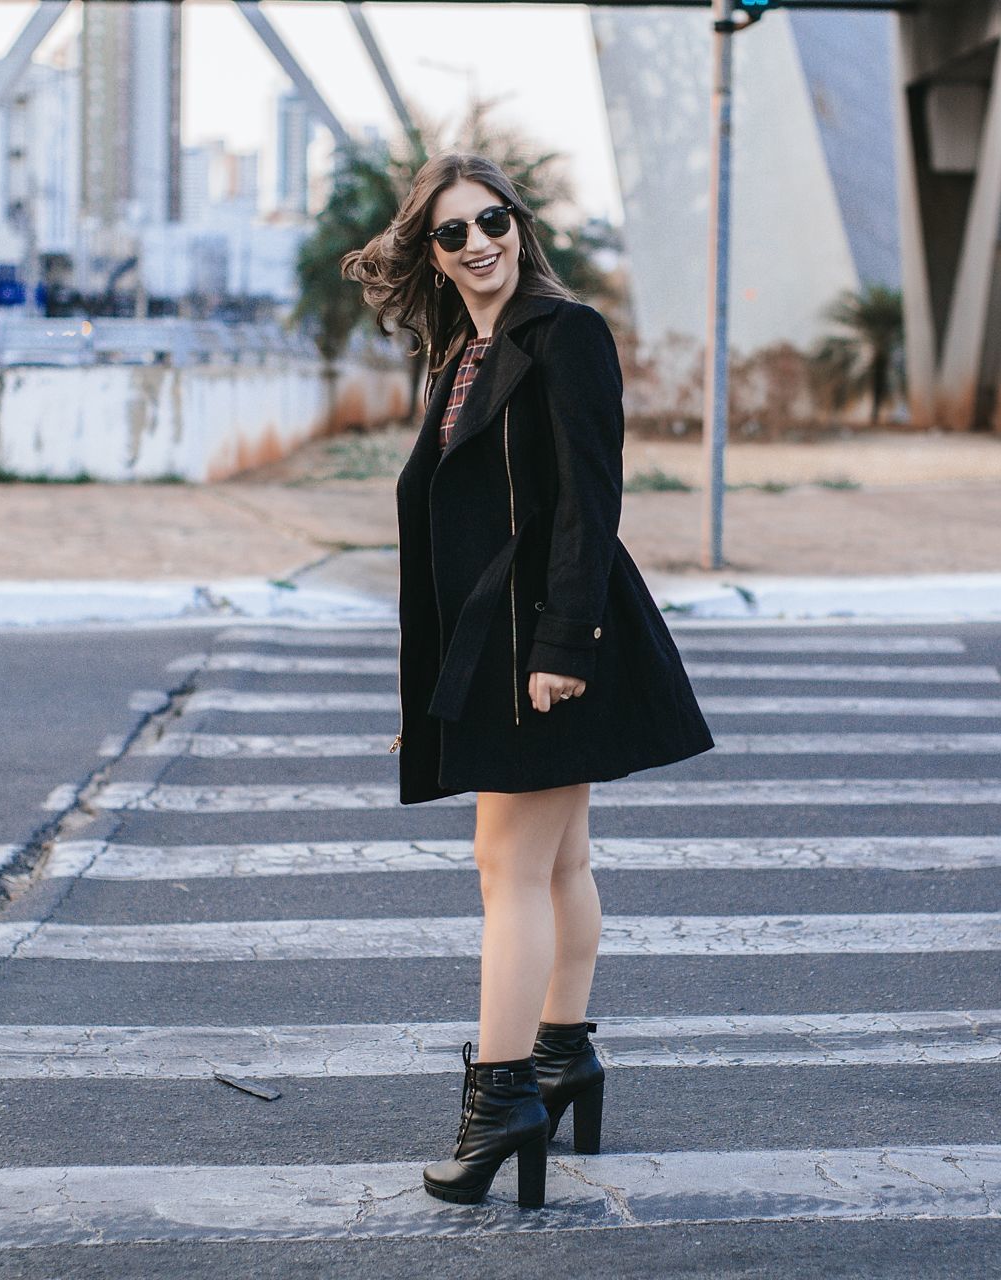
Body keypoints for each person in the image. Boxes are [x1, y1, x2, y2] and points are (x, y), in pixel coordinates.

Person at [341, 152, 714, 1209]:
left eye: (493, 220)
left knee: (506, 866)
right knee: (557, 860)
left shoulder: (565, 333)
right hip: (499, 642)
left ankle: (500, 1099)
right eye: (453, 231)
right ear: (433, 252)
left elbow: (591, 499)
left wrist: (563, 644)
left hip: (542, 643)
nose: (479, 243)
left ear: (520, 224)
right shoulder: (465, 350)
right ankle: (561, 1058)